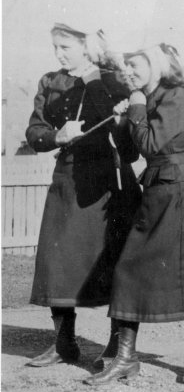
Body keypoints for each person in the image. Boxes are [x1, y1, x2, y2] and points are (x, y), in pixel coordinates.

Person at [85, 44, 184, 385]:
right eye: (125, 65)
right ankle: (125, 358)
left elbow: (151, 144)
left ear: (155, 64)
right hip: (158, 194)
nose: (128, 69)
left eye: (135, 63)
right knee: (128, 269)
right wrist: (121, 120)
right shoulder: (143, 98)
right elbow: (130, 153)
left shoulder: (175, 95)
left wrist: (137, 107)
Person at [24, 23, 141, 368]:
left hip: (108, 179)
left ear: (85, 46)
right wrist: (57, 136)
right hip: (67, 179)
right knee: (56, 260)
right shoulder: (50, 82)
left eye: (66, 47)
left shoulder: (111, 79)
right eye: (55, 47)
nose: (59, 54)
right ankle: (64, 343)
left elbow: (132, 124)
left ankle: (117, 347)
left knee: (113, 261)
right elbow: (34, 130)